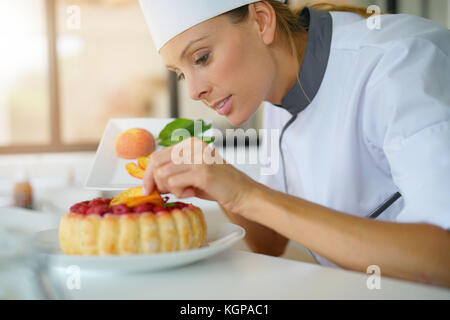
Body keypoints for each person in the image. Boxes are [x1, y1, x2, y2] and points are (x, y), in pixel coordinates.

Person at [138, 0, 450, 287]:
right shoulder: (273, 88)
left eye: (202, 57)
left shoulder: (400, 63)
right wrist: (220, 182)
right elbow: (271, 242)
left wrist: (246, 193)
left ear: (261, 21)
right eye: (180, 74)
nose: (192, 92)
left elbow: (441, 257)